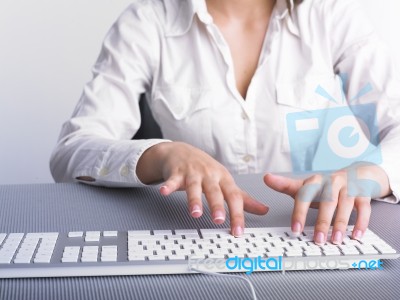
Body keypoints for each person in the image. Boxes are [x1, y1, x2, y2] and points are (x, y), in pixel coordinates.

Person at [50, 0, 400, 245]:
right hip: (195, 236)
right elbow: (72, 151)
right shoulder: (147, 22)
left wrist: (374, 175)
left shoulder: (331, 13)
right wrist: (163, 155)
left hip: (311, 235)